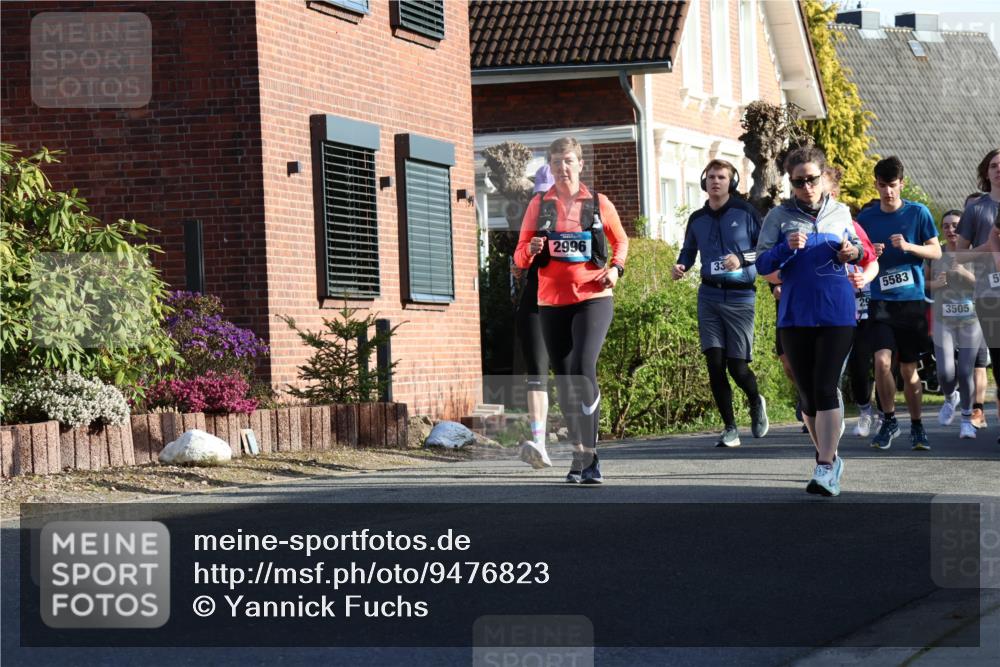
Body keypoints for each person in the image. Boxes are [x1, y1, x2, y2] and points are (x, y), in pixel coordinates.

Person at [514, 137, 628, 484]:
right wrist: (531, 249)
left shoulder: (598, 202)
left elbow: (621, 240)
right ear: (549, 167)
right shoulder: (539, 205)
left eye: (568, 161)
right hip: (551, 302)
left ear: (580, 164)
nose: (562, 168)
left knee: (582, 367)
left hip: (594, 296)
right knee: (564, 381)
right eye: (555, 162)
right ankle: (579, 454)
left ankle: (591, 457)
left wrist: (616, 269)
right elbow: (520, 256)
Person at [757, 146, 864, 496]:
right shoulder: (778, 216)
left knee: (825, 386)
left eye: (812, 179)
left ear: (823, 176)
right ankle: (827, 459)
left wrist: (853, 252)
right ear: (790, 182)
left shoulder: (841, 211)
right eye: (798, 181)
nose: (806, 187)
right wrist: (785, 247)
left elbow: (860, 250)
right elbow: (761, 264)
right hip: (795, 314)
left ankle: (826, 465)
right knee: (807, 395)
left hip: (837, 312)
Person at [672, 159, 768, 447]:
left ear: (732, 182)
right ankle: (730, 428)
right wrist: (681, 265)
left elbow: (765, 249)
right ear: (704, 182)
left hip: (741, 296)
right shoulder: (697, 218)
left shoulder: (745, 212)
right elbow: (688, 251)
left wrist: (741, 258)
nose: (715, 181)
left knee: (737, 367)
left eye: (722, 177)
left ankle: (755, 400)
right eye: (711, 177)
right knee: (714, 363)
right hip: (709, 296)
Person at [857, 156, 941, 451]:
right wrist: (870, 253)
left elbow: (936, 251)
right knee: (881, 362)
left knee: (908, 370)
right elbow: (857, 255)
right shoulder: (866, 219)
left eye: (892, 185)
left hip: (911, 302)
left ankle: (917, 425)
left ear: (902, 184)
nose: (888, 191)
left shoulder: (918, 213)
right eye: (882, 185)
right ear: (876, 185)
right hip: (880, 302)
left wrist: (908, 246)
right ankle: (889, 420)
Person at [926, 210, 982, 439]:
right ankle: (951, 397)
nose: (951, 230)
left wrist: (964, 273)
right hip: (944, 320)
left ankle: (967, 419)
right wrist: (936, 284)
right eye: (946, 226)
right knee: (945, 372)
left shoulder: (976, 253)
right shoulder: (935, 253)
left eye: (956, 225)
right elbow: (924, 283)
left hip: (971, 320)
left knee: (966, 371)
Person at [955, 150, 1000, 426]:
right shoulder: (976, 209)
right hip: (990, 296)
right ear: (986, 172)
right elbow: (959, 256)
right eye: (994, 166)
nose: (999, 169)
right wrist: (989, 247)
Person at [517, 164, 556, 469]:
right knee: (537, 373)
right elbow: (518, 259)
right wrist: (528, 251)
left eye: (548, 193)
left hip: (568, 303)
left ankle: (585, 442)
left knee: (573, 372)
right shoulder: (532, 216)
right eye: (540, 194)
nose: (543, 200)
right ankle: (539, 443)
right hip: (533, 302)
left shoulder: (579, 216)